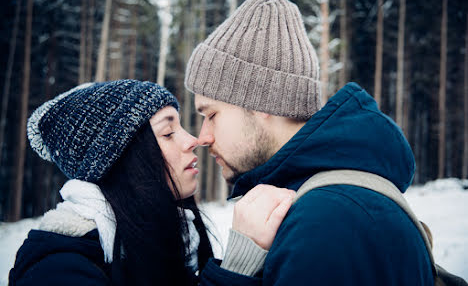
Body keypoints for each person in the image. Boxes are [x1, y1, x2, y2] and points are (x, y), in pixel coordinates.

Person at [185, 0, 434, 285]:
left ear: (264, 101)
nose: (203, 137)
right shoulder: (328, 205)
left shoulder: (327, 222)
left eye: (211, 114)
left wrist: (233, 274)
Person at [8, 80, 295, 286]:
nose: (192, 140)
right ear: (120, 159)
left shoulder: (170, 246)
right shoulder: (58, 270)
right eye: (168, 132)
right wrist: (235, 271)